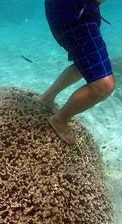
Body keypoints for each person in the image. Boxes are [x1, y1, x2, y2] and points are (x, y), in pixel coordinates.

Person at [39, 0, 114, 144]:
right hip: (72, 14)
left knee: (84, 64)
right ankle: (59, 120)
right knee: (103, 85)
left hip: (72, 12)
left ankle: (46, 98)